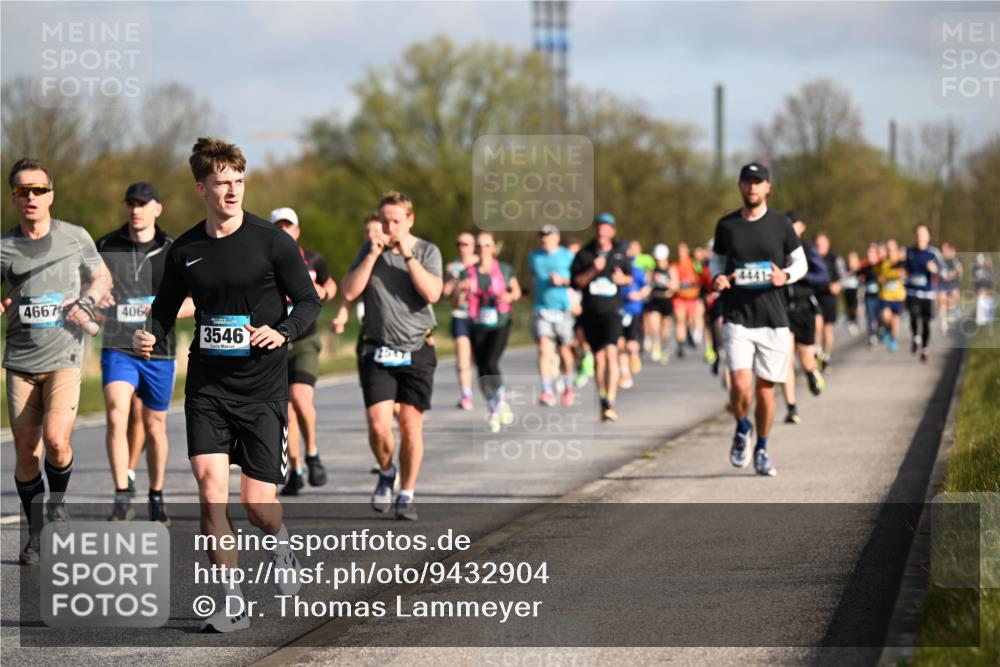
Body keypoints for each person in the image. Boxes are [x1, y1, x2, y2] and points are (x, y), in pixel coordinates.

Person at [134, 137, 320, 632]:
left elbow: (307, 302)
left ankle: (281, 545)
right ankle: (231, 600)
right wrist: (150, 335)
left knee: (257, 507)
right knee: (210, 490)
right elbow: (163, 310)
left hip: (261, 389)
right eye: (222, 183)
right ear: (202, 188)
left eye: (239, 181)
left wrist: (281, 332)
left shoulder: (271, 241)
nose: (233, 191)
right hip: (208, 389)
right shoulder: (186, 250)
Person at [3, 157, 112, 565]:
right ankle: (35, 533)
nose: (30, 197)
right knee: (27, 454)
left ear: (51, 195)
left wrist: (86, 299)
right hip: (19, 361)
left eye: (38, 190)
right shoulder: (4, 247)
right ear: (14, 197)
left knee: (57, 441)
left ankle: (58, 502)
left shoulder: (75, 237)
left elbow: (102, 278)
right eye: (21, 191)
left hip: (65, 356)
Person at [341, 191, 443, 522]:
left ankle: (407, 493)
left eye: (396, 221)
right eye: (384, 221)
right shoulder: (370, 250)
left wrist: (408, 256)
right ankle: (387, 471)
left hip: (416, 349)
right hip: (378, 348)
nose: (389, 227)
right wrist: (372, 256)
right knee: (379, 425)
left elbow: (432, 293)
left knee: (412, 429)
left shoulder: (427, 251)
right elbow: (348, 291)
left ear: (409, 220)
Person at [96, 182, 194, 523]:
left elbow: (194, 303)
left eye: (143, 204)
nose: (135, 210)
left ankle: (156, 495)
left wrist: (161, 311)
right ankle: (122, 494)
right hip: (118, 347)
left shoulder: (174, 249)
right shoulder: (107, 245)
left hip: (160, 351)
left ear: (157, 208)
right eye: (131, 204)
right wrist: (97, 303)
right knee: (116, 413)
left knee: (154, 425)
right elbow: (90, 292)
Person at [711, 162, 807, 477]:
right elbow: (717, 262)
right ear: (740, 186)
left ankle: (762, 448)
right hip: (737, 316)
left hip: (774, 319)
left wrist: (785, 276)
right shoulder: (726, 226)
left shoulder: (781, 225)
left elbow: (800, 262)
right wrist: (718, 279)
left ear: (768, 187)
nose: (752, 187)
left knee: (766, 392)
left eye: (758, 182)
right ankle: (742, 427)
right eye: (747, 182)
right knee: (740, 384)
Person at [269, 207, 338, 496]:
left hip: (305, 340)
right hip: (274, 342)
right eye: (279, 227)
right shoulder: (262, 261)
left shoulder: (313, 259)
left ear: (297, 231)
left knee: (300, 398)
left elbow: (331, 285)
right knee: (285, 412)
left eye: (289, 226)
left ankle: (313, 454)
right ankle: (295, 469)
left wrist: (322, 292)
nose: (285, 231)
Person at [570, 213, 633, 423]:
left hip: (613, 312)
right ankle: (603, 398)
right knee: (598, 359)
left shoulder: (619, 254)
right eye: (599, 227)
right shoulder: (584, 254)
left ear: (613, 231)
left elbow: (630, 277)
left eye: (606, 227)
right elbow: (576, 282)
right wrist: (592, 270)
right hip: (591, 313)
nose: (602, 231)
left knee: (612, 354)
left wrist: (622, 279)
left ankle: (611, 401)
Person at [460, 231, 522, 432]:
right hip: (477, 323)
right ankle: (494, 405)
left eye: (487, 245)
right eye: (479, 246)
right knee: (480, 367)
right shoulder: (468, 272)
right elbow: (455, 301)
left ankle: (501, 400)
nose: (483, 249)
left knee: (491, 361)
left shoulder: (504, 269)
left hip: (500, 322)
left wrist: (508, 297)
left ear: (494, 248)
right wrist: (460, 290)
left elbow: (517, 292)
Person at [780, 211, 827, 425]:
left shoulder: (807, 249)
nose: (789, 227)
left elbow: (823, 276)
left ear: (802, 226)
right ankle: (791, 408)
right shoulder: (777, 247)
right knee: (785, 360)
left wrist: (799, 272)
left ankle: (811, 372)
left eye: (794, 224)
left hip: (804, 308)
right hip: (783, 309)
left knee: (805, 358)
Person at [528, 224, 577, 407]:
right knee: (544, 347)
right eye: (541, 236)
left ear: (557, 238)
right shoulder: (534, 257)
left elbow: (577, 279)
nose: (544, 239)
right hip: (541, 308)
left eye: (548, 236)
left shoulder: (568, 256)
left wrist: (562, 281)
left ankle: (568, 385)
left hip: (563, 308)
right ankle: (547, 390)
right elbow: (530, 276)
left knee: (565, 350)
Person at [441, 232, 478, 410]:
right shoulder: (452, 267)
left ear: (473, 246)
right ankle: (466, 394)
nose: (462, 248)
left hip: (481, 316)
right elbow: (445, 291)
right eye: (459, 244)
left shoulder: (483, 264)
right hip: (460, 315)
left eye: (466, 244)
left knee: (479, 359)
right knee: (462, 356)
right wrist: (450, 288)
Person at [904, 224, 942, 363]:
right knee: (914, 316)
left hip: (928, 294)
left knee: (926, 323)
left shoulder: (934, 253)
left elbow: (943, 271)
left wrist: (935, 269)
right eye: (918, 234)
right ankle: (915, 337)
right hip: (912, 292)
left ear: (928, 237)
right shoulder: (909, 252)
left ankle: (925, 348)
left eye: (923, 234)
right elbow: (903, 269)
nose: (920, 237)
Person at [618, 254, 650, 389]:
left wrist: (639, 295)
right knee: (619, 343)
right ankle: (625, 373)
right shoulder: (614, 270)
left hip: (633, 310)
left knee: (630, 344)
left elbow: (646, 287)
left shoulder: (637, 271)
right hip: (618, 311)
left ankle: (634, 354)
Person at [812, 232, 842, 372]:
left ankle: (826, 356)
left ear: (828, 245)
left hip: (829, 297)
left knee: (827, 330)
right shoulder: (811, 258)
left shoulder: (834, 259)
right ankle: (817, 352)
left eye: (822, 244)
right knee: (816, 326)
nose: (820, 247)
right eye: (818, 245)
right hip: (815, 296)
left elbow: (843, 276)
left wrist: (838, 285)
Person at [671, 242, 704, 359]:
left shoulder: (694, 263)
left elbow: (701, 275)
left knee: (691, 320)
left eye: (683, 250)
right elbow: (673, 280)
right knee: (680, 320)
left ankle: (690, 334)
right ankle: (680, 345)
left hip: (692, 296)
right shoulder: (675, 265)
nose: (681, 253)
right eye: (679, 250)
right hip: (679, 297)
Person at [643, 243, 675, 364]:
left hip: (666, 300)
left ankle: (664, 349)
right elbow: (646, 285)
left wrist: (662, 280)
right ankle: (655, 346)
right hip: (654, 299)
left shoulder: (671, 269)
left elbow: (675, 286)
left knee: (665, 329)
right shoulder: (652, 270)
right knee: (653, 326)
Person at [876, 239, 907, 353]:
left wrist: (892, 274)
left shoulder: (901, 261)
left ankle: (892, 338)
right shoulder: (884, 262)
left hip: (898, 297)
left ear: (896, 249)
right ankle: (885, 329)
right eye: (888, 249)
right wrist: (894, 274)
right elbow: (882, 273)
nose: (890, 251)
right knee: (885, 316)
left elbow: (903, 272)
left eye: (892, 249)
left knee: (895, 322)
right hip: (886, 296)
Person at [859, 243, 884, 346]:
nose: (870, 255)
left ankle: (880, 331)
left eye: (872, 253)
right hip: (869, 295)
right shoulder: (865, 266)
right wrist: (861, 280)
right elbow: (859, 276)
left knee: (879, 316)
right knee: (870, 315)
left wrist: (881, 279)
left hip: (880, 295)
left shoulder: (881, 265)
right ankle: (872, 335)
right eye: (869, 253)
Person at [937, 242, 962, 333]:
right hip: (942, 284)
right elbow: (934, 268)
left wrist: (953, 274)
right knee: (942, 302)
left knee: (951, 302)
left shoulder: (955, 260)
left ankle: (951, 312)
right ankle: (944, 322)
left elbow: (960, 270)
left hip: (953, 284)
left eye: (945, 249)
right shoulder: (938, 259)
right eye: (942, 249)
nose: (944, 251)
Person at [843, 251, 862, 336]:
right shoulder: (846, 267)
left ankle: (855, 321)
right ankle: (850, 320)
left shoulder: (860, 267)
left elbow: (861, 277)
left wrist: (856, 270)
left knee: (855, 306)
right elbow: (843, 276)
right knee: (849, 306)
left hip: (856, 288)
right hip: (847, 289)